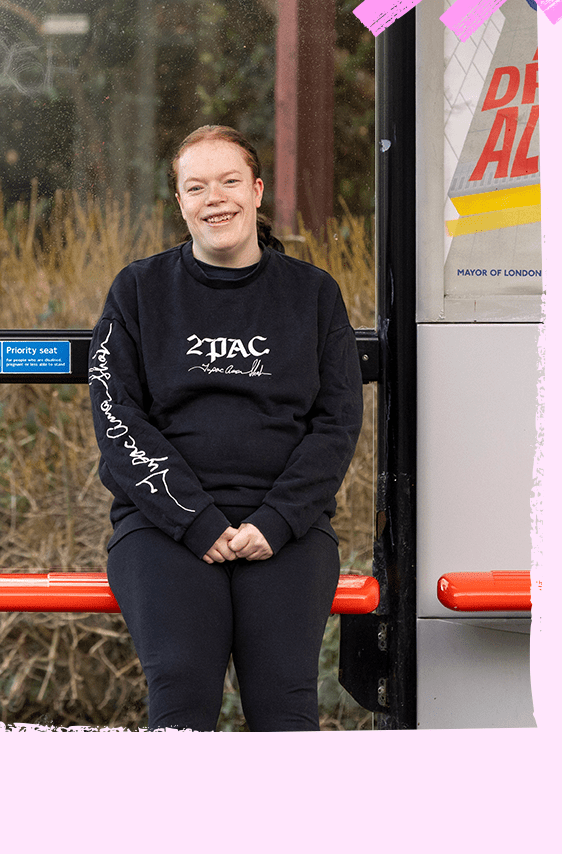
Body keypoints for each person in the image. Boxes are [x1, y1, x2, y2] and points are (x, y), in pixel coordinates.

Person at [88, 125, 363, 731]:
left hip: (286, 530)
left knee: (285, 704)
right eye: (196, 187)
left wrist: (277, 520)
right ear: (180, 202)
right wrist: (195, 520)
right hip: (162, 528)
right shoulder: (137, 291)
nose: (215, 198)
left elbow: (337, 423)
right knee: (182, 693)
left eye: (229, 181)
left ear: (257, 191)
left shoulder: (314, 296)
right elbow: (116, 417)